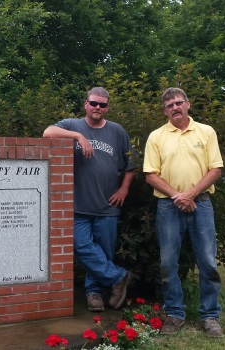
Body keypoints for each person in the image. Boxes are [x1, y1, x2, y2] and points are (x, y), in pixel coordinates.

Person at [43, 87, 135, 312]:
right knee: (81, 245)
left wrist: (124, 189)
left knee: (103, 252)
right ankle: (118, 277)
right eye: (94, 103)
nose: (97, 108)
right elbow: (47, 133)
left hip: (108, 205)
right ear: (85, 104)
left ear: (107, 108)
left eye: (102, 105)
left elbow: (131, 166)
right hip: (78, 205)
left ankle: (95, 294)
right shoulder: (72, 125)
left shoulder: (117, 131)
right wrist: (79, 136)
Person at [143, 87, 224, 338]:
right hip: (168, 206)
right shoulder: (156, 136)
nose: (175, 107)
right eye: (169, 105)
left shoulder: (206, 132)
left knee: (208, 262)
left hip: (202, 204)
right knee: (168, 263)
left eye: (179, 102)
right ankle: (174, 314)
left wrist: (190, 194)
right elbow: (150, 175)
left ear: (188, 104)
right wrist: (178, 196)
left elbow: (215, 170)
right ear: (164, 110)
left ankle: (210, 316)